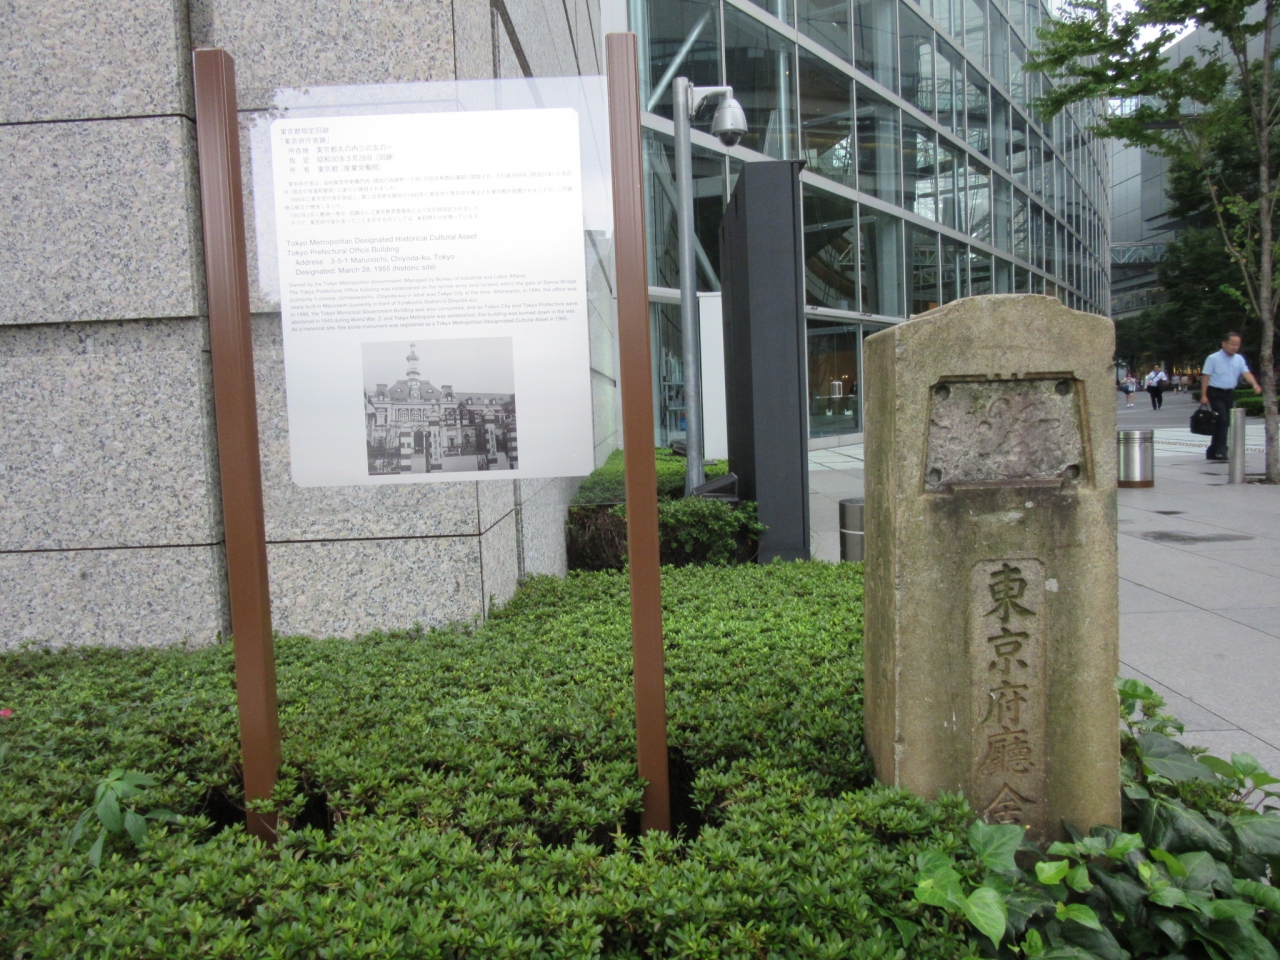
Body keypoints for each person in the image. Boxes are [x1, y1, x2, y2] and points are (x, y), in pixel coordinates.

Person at [1200, 331, 1263, 461]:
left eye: (1237, 344)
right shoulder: (1213, 358)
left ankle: (1213, 450)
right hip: (1215, 392)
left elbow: (1246, 373)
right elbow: (1206, 377)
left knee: (1224, 421)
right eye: (1232, 344)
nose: (1235, 347)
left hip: (1229, 393)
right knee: (1222, 420)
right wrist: (1204, 395)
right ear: (1224, 344)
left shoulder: (1239, 359)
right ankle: (1221, 450)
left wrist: (1254, 384)